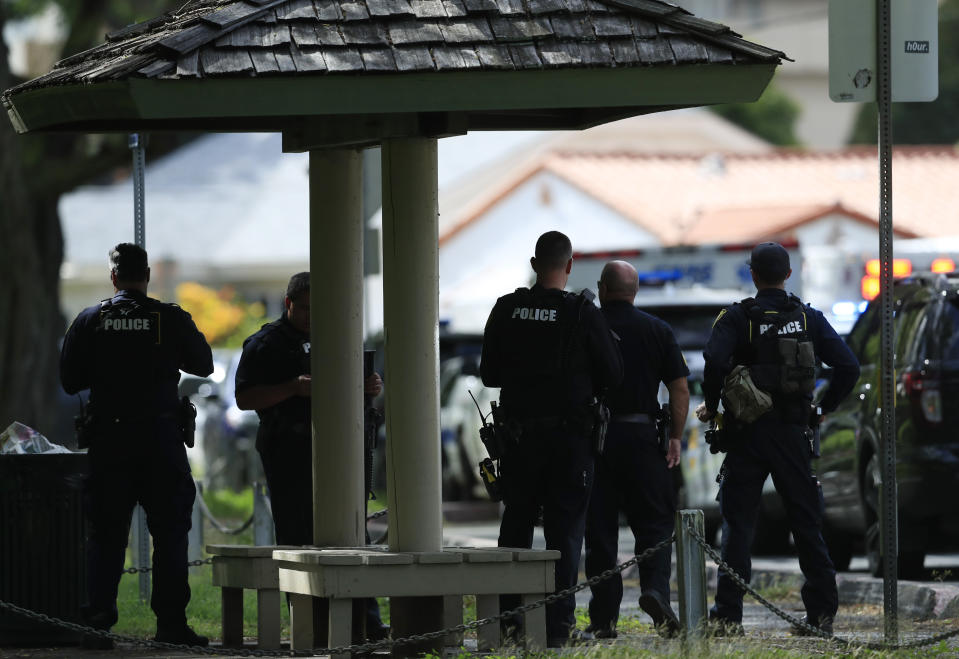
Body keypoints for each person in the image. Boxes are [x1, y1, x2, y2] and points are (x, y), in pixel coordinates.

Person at [695, 242, 860, 637]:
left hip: (747, 433)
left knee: (738, 524)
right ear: (788, 274)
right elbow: (848, 366)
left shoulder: (737, 317)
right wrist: (821, 408)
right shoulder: (808, 318)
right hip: (792, 433)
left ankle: (729, 617)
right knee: (806, 523)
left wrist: (716, 406)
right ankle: (820, 618)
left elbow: (715, 362)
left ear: (753, 274)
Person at [60, 243, 213, 649]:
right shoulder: (170, 318)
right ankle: (171, 625)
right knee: (170, 534)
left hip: (110, 441)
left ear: (113, 277)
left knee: (106, 534)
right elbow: (204, 365)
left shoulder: (91, 320)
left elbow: (70, 381)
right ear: (146, 276)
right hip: (161, 440)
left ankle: (96, 624)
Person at [481, 231, 623, 647]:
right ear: (569, 265)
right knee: (564, 534)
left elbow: (489, 375)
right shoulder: (581, 311)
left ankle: (510, 623)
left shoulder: (507, 309)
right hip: (569, 443)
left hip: (520, 440)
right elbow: (613, 374)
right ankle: (558, 628)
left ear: (533, 262)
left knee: (517, 526)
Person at [234, 272, 388, 640]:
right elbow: (245, 399)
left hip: (339, 451)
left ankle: (364, 622)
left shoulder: (337, 338)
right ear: (288, 304)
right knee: (298, 539)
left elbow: (359, 386)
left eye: (317, 310)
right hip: (289, 452)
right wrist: (292, 389)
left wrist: (372, 386)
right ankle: (310, 622)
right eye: (303, 309)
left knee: (353, 535)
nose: (311, 317)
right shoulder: (266, 344)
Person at [584, 261, 689, 639]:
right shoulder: (657, 330)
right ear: (636, 290)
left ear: (602, 288)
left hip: (596, 442)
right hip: (645, 439)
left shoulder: (586, 326)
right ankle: (656, 592)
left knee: (600, 532)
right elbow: (679, 389)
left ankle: (603, 620)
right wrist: (675, 436)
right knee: (656, 525)